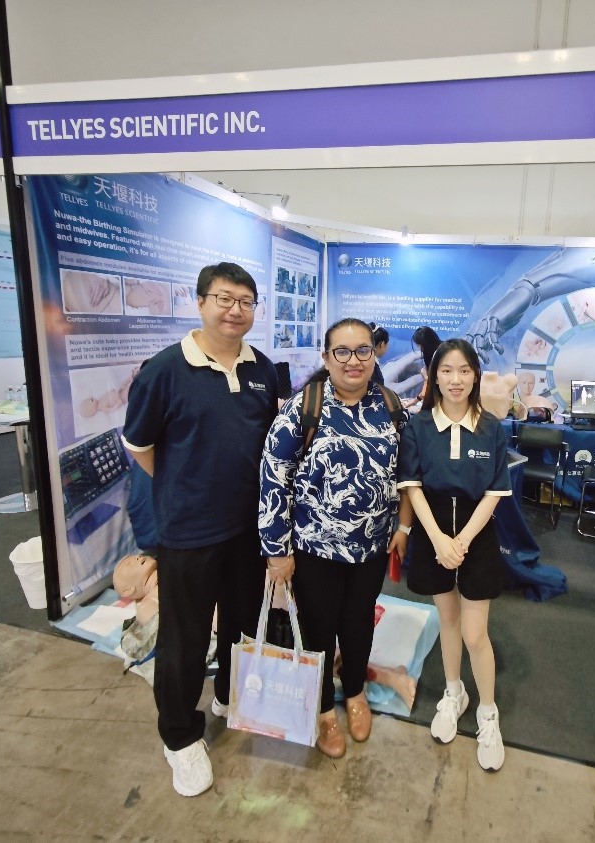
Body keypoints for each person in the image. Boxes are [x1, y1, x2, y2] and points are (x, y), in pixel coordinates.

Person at [122, 261, 279, 798]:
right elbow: (140, 446)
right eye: (224, 299)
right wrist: (181, 484)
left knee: (242, 624)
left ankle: (230, 696)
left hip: (248, 530)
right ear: (200, 303)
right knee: (185, 638)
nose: (235, 310)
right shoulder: (165, 370)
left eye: (246, 302)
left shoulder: (263, 370)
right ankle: (180, 737)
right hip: (188, 530)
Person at [258, 318, 412, 759]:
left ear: (374, 355)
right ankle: (324, 707)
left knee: (359, 620)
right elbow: (274, 479)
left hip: (372, 546)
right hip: (314, 548)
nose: (353, 360)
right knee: (319, 627)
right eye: (341, 352)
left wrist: (401, 528)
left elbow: (406, 475)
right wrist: (276, 551)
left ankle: (356, 690)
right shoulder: (303, 409)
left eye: (363, 350)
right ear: (326, 358)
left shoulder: (390, 406)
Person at [397, 338, 511, 771]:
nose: (455, 379)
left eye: (464, 370)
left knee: (475, 633)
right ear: (434, 376)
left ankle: (488, 712)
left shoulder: (492, 428)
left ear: (476, 375)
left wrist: (461, 540)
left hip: (476, 533)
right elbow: (413, 486)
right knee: (447, 621)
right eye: (446, 370)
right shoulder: (419, 426)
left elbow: (494, 493)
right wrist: (439, 540)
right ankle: (453, 692)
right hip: (433, 532)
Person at [403, 325, 443, 409]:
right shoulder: (445, 348)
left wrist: (425, 377)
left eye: (419, 345)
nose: (419, 348)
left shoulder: (436, 357)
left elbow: (428, 388)